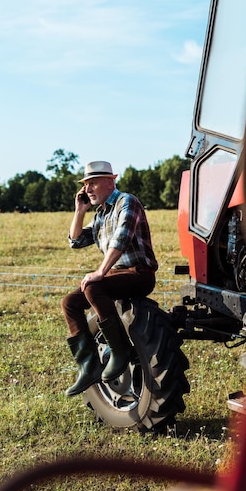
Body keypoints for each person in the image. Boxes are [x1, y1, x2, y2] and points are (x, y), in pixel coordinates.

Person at [61, 160, 158, 397]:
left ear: (110, 180)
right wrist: (80, 211)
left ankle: (120, 350)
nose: (88, 189)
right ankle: (89, 366)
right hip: (117, 274)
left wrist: (100, 272)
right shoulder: (101, 214)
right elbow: (76, 241)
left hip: (139, 273)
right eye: (86, 185)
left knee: (93, 288)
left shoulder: (127, 202)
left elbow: (121, 239)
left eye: (93, 183)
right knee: (70, 303)